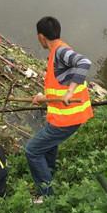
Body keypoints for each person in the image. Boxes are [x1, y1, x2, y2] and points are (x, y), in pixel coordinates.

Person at [26, 16, 93, 201]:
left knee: (32, 151)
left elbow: (84, 62)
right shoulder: (57, 50)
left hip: (67, 119)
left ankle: (46, 196)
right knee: (48, 147)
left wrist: (70, 92)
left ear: (41, 36)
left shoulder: (61, 51)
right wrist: (42, 97)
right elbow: (58, 85)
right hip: (62, 117)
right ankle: (49, 177)